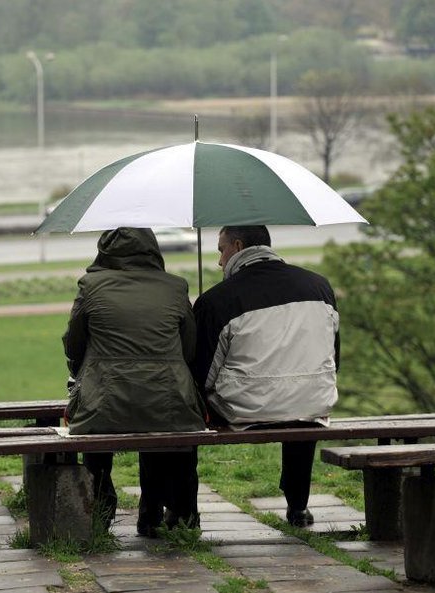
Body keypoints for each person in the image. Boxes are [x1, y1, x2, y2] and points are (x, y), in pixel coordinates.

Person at [192, 225, 340, 528]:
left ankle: (185, 510)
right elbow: (334, 356)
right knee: (300, 400)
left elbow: (201, 376)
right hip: (312, 402)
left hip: (243, 409)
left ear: (236, 245)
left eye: (221, 250)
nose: (220, 261)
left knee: (188, 404)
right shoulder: (320, 286)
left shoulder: (217, 300)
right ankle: (298, 505)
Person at [63, 227, 206, 536]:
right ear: (153, 251)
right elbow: (189, 349)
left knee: (97, 416)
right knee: (160, 413)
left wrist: (83, 370)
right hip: (168, 400)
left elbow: (73, 343)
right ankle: (158, 509)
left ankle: (102, 500)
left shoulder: (90, 286)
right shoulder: (175, 287)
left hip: (103, 400)